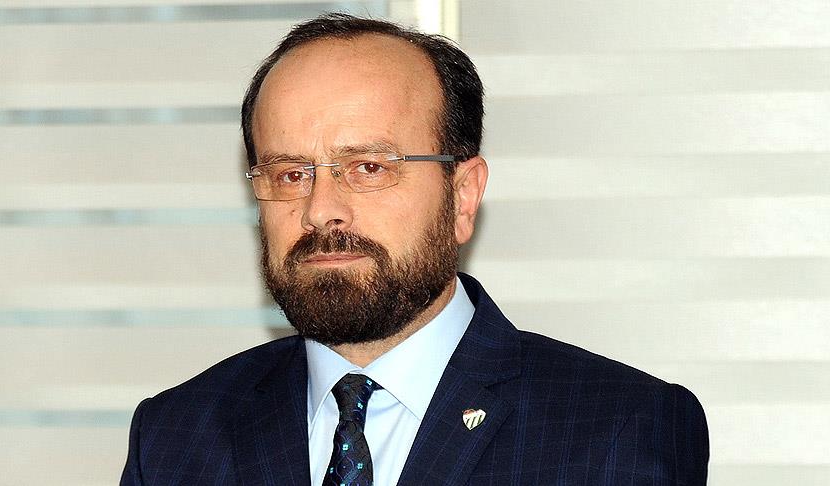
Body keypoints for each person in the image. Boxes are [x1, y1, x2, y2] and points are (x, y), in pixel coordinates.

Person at [121, 13, 709, 486]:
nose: (321, 209)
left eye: (368, 168)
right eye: (291, 174)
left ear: (462, 196)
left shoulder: (618, 428)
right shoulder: (175, 437)